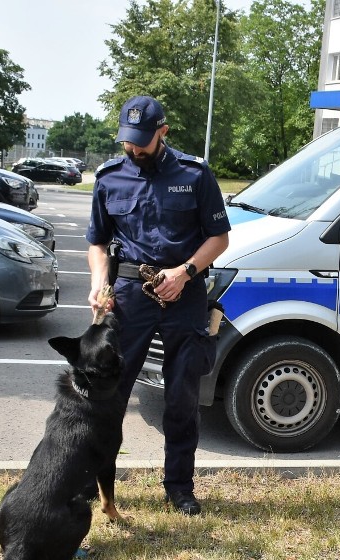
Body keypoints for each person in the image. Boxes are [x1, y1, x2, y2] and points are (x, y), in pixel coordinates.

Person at [86, 95, 231, 516]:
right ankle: (99, 486)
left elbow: (219, 239)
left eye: (142, 142)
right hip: (130, 296)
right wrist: (99, 280)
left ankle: (179, 488)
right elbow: (96, 241)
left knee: (182, 395)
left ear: (163, 133)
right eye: (127, 142)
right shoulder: (110, 177)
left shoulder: (195, 174)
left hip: (183, 293)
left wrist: (185, 272)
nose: (133, 150)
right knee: (109, 394)